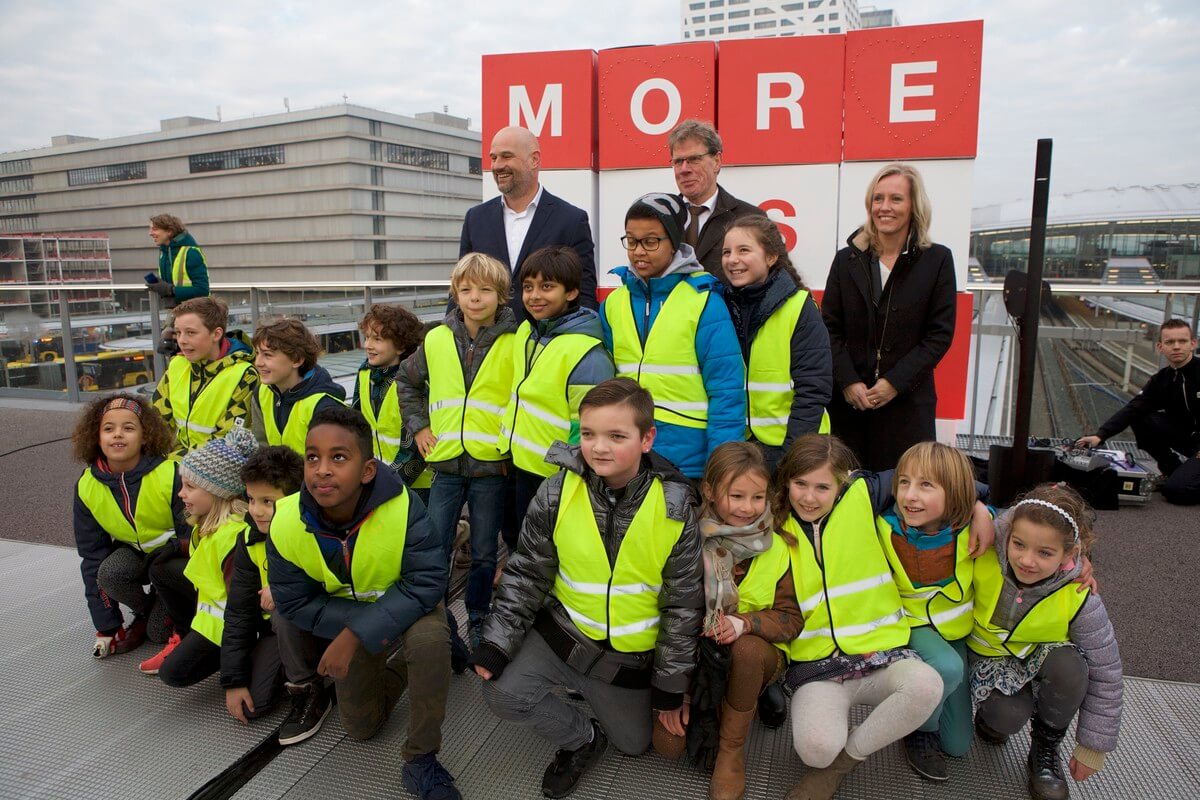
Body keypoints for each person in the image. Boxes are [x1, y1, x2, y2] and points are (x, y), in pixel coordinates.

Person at [471, 379, 703, 799]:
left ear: (647, 438)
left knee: (635, 745)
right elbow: (526, 573)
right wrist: (497, 642)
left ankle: (598, 700)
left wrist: (671, 688)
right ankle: (581, 738)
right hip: (564, 635)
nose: (599, 447)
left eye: (617, 436)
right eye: (590, 433)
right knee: (501, 694)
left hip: (624, 658)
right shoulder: (557, 490)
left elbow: (683, 608)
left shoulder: (674, 508)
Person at [266, 406, 460, 800]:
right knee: (361, 727)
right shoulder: (285, 522)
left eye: (338, 457)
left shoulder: (403, 508)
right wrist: (361, 626)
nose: (322, 469)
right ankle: (419, 653)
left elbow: (427, 581)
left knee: (428, 641)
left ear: (367, 470)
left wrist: (355, 634)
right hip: (351, 614)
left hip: (406, 605)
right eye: (312, 457)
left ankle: (421, 759)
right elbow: (293, 601)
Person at [777, 434, 944, 800]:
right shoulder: (775, 523)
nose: (809, 497)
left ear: (843, 481)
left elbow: (952, 482)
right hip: (818, 668)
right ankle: (828, 761)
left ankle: (844, 765)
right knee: (816, 750)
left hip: (881, 656)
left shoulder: (863, 494)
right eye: (800, 484)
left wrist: (983, 508)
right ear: (786, 480)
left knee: (927, 685)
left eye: (823, 486)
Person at [651, 441, 802, 800]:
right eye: (736, 496)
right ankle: (711, 700)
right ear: (710, 492)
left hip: (759, 653)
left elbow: (791, 618)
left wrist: (745, 623)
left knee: (745, 652)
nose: (748, 509)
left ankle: (732, 751)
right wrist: (678, 694)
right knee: (668, 746)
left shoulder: (782, 546)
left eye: (757, 497)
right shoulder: (688, 539)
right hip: (699, 659)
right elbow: (672, 615)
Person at [395, 253, 517, 658]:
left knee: (484, 551)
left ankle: (479, 615)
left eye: (485, 290)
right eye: (466, 290)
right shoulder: (435, 338)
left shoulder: (515, 341)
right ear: (455, 293)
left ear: (501, 296)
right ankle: (435, 615)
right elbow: (407, 383)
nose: (475, 298)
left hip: (490, 465)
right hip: (446, 463)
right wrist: (420, 428)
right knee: (435, 544)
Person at [969, 484, 1123, 800]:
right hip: (987, 659)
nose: (1027, 560)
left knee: (1073, 666)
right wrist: (977, 507)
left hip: (1041, 660)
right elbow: (943, 487)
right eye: (1019, 544)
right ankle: (991, 717)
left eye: (1045, 553)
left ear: (1071, 554)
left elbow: (1107, 671)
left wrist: (1093, 747)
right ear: (1007, 534)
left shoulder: (1080, 593)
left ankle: (1045, 748)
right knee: (1007, 716)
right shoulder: (982, 548)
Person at [600, 193, 746, 480]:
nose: (638, 251)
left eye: (651, 241)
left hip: (688, 463)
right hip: (628, 458)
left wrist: (721, 471)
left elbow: (726, 392)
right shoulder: (614, 303)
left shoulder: (703, 301)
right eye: (631, 240)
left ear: (676, 244)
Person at [821, 163, 956, 472]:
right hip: (849, 407)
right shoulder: (846, 260)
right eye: (877, 198)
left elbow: (939, 335)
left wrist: (894, 382)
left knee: (905, 494)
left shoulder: (937, 260)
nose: (884, 207)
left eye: (896, 199)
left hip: (907, 407)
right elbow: (829, 327)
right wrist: (848, 382)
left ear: (913, 206)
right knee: (848, 493)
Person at [877, 441, 997, 781]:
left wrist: (982, 510)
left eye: (926, 485)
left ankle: (924, 714)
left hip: (954, 636)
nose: (910, 496)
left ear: (957, 493)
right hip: (910, 629)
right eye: (904, 483)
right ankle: (918, 728)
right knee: (947, 665)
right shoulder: (883, 528)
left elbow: (1041, 525)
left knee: (958, 745)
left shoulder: (975, 529)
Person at [498, 245, 614, 548]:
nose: (535, 296)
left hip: (555, 476)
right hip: (520, 463)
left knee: (548, 551)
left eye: (547, 286)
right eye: (528, 287)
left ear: (572, 292)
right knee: (521, 544)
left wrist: (571, 475)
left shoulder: (587, 353)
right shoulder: (527, 331)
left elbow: (589, 424)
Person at [139, 427, 259, 686]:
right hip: (214, 612)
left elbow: (243, 610)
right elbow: (205, 555)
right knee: (161, 568)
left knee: (173, 674)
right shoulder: (211, 523)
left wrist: (233, 674)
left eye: (190, 486)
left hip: (231, 625)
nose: (181, 493)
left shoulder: (234, 538)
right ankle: (184, 634)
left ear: (218, 492)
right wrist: (178, 547)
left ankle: (253, 659)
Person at [72, 393, 188, 658]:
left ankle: (169, 611)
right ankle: (149, 609)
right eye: (108, 429)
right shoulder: (87, 485)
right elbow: (92, 557)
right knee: (108, 572)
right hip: (136, 554)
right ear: (96, 437)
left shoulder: (172, 473)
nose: (117, 435)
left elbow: (194, 541)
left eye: (129, 428)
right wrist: (107, 625)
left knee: (158, 634)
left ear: (145, 436)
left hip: (174, 558)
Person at [721, 215, 832, 470]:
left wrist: (792, 457)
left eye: (744, 250)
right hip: (744, 449)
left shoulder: (799, 307)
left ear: (771, 257)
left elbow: (813, 389)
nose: (732, 259)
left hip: (792, 448)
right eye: (727, 252)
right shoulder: (721, 303)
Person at [459, 125, 597, 315]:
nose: (497, 165)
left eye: (506, 156)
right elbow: (461, 285)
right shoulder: (475, 218)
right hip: (488, 342)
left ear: (534, 160)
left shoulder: (571, 220)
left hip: (547, 342)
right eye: (493, 158)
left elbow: (584, 294)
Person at [1076, 318, 1200, 505]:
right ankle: (1172, 470)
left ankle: (1181, 480)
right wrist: (1100, 436)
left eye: (1182, 341)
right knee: (1142, 418)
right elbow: (1134, 407)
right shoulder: (1162, 379)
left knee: (1176, 492)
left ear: (1193, 344)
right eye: (1169, 342)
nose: (1176, 347)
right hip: (1190, 439)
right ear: (1160, 347)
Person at [221, 445, 304, 725]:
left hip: (312, 625)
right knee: (252, 706)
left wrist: (283, 589)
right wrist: (233, 680)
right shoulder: (249, 539)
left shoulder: (314, 531)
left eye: (268, 501)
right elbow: (239, 611)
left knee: (285, 615)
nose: (256, 510)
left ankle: (310, 687)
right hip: (273, 629)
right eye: (251, 499)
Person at [151, 296, 258, 457]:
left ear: (216, 334)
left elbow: (229, 442)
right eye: (178, 333)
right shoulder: (177, 365)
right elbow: (156, 421)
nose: (181, 341)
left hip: (214, 472)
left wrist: (171, 463)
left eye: (191, 333)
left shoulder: (244, 375)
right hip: (175, 463)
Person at [668, 119, 763, 280]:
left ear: (717, 162)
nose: (684, 170)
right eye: (678, 162)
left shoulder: (750, 218)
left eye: (694, 159)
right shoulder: (661, 218)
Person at [353, 303, 432, 496]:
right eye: (367, 337)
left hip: (418, 486)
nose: (368, 345)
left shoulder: (415, 382)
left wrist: (385, 486)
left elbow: (415, 447)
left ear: (401, 346)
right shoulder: (364, 374)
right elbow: (354, 426)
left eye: (377, 339)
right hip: (377, 480)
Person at [249, 318, 347, 453]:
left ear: (296, 360)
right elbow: (261, 449)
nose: (258, 362)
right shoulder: (261, 394)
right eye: (257, 353)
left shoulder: (324, 407)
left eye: (267, 355)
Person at [146, 213, 210, 306]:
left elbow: (202, 290)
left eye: (155, 229)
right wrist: (159, 286)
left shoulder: (191, 253)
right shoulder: (165, 253)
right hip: (178, 309)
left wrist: (169, 289)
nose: (150, 233)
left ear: (169, 231)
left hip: (196, 310)